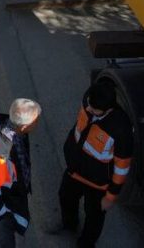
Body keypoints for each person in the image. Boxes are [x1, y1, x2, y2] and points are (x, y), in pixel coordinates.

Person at [57, 81, 133, 247]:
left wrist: (111, 196)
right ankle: (69, 225)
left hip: (98, 184)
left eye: (94, 110)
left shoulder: (121, 129)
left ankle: (86, 243)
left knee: (94, 217)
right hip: (74, 171)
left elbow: (122, 167)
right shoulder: (90, 100)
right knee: (65, 197)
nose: (89, 110)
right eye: (88, 105)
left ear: (109, 109)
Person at [0, 98, 41, 248]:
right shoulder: (0, 159)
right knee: (2, 241)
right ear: (24, 126)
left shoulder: (4, 126)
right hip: (3, 209)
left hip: (7, 198)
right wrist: (2, 215)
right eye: (35, 121)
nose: (37, 123)